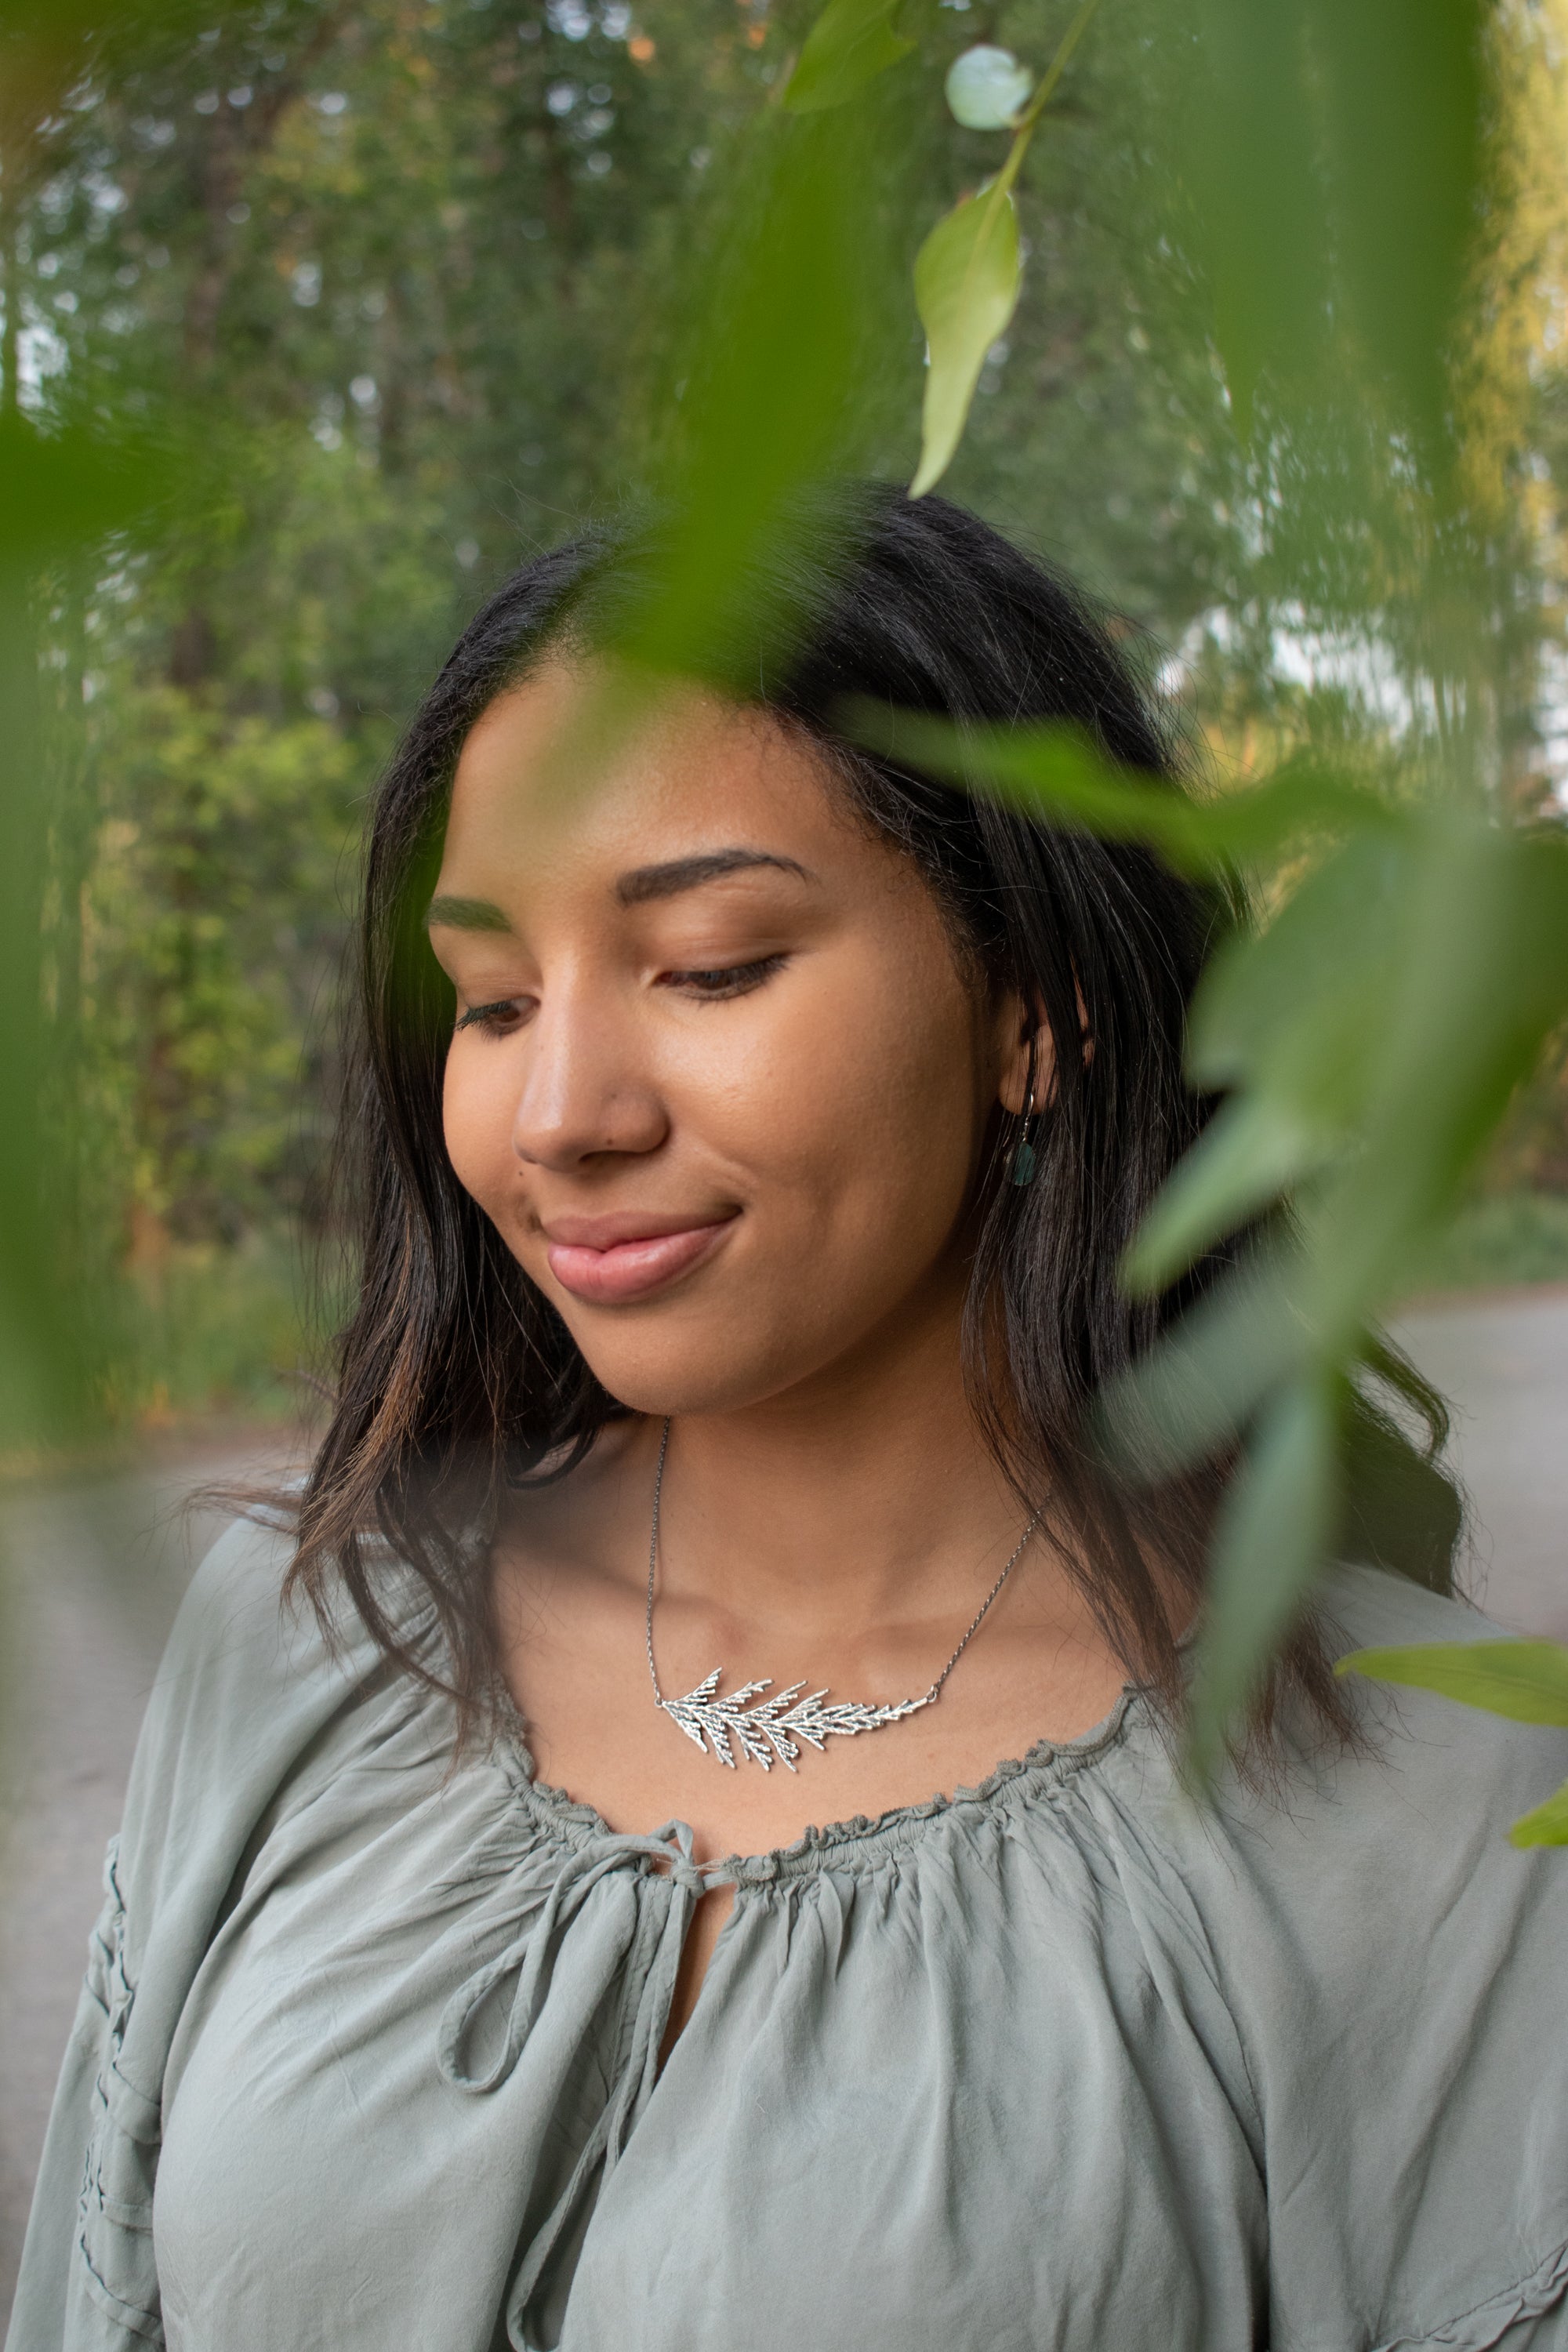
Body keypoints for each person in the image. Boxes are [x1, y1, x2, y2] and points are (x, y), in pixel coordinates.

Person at [10, 489, 1568, 2352]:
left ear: (1037, 1012)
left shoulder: (1433, 1813)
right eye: (492, 997)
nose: (561, 1111)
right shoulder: (306, 1642)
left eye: (713, 967)